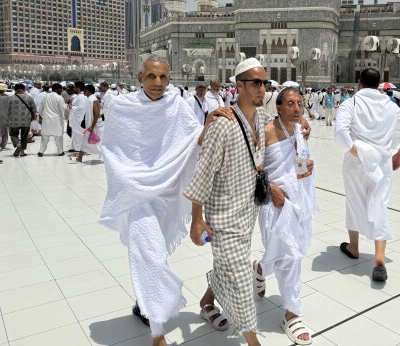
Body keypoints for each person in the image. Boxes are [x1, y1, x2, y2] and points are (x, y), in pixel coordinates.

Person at [99, 55, 229, 346]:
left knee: (152, 253)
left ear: (169, 79)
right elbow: (112, 149)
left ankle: (143, 302)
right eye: (152, 76)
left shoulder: (177, 106)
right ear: (140, 77)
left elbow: (194, 140)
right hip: (136, 195)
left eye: (163, 78)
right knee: (152, 255)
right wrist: (130, 180)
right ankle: (157, 332)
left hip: (167, 193)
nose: (158, 83)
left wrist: (209, 122)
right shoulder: (122, 106)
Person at [185, 58, 272, 346]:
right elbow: (203, 173)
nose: (262, 89)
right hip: (222, 217)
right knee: (239, 278)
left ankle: (207, 301)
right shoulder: (223, 123)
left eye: (265, 83)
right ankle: (252, 340)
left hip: (247, 213)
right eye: (256, 83)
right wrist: (197, 219)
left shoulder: (260, 119)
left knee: (228, 267)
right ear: (239, 86)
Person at [334, 68, 400, 282]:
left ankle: (353, 247)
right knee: (379, 205)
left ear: (359, 82)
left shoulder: (349, 103)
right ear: (380, 84)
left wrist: (359, 153)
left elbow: (341, 135)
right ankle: (379, 258)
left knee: (354, 201)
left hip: (355, 163)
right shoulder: (390, 106)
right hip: (382, 164)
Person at [251, 87, 317, 345]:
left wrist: (307, 165)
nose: (297, 108)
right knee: (288, 256)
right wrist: (272, 189)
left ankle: (259, 268)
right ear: (278, 107)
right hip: (274, 204)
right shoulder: (266, 132)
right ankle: (291, 313)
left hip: (299, 201)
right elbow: (253, 167)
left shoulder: (300, 129)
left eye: (300, 103)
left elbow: (297, 163)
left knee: (291, 253)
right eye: (290, 103)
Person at [75, 85, 104, 163]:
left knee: (101, 142)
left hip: (95, 125)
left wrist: (92, 126)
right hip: (92, 124)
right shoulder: (91, 99)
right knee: (85, 141)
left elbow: (97, 114)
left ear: (90, 91)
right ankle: (79, 157)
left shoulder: (92, 100)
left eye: (85, 90)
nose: (84, 92)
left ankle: (108, 157)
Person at [8, 83, 37, 157]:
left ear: (15, 89)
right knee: (24, 136)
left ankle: (18, 144)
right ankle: (22, 152)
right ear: (23, 89)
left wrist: (6, 120)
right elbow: (34, 109)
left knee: (13, 134)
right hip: (26, 120)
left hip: (14, 120)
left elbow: (7, 110)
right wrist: (35, 118)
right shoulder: (29, 98)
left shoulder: (10, 98)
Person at [38, 83, 66, 157]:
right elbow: (63, 108)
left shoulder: (45, 97)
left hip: (46, 119)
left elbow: (40, 108)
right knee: (58, 137)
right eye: (60, 89)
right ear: (57, 89)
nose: (61, 91)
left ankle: (41, 151)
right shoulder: (59, 98)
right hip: (56, 120)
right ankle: (60, 152)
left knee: (44, 137)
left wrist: (41, 116)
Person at [69, 82, 87, 152]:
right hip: (77, 118)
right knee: (75, 133)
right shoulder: (79, 96)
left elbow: (82, 108)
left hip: (79, 119)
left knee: (79, 133)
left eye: (74, 87)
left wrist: (72, 107)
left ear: (78, 88)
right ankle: (75, 147)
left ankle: (79, 148)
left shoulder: (81, 96)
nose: (73, 88)